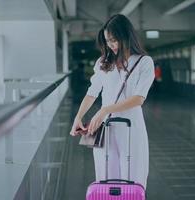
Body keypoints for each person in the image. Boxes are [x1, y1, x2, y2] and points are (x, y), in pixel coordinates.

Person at [69, 14, 155, 188]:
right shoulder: (103, 62)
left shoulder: (144, 62)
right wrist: (78, 116)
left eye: (114, 40)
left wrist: (104, 110)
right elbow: (92, 93)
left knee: (133, 178)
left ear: (126, 36)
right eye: (108, 41)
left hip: (131, 128)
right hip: (106, 129)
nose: (111, 45)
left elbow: (138, 99)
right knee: (106, 178)